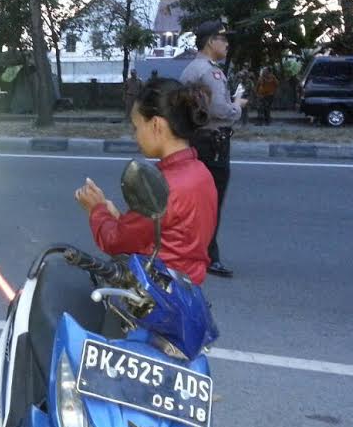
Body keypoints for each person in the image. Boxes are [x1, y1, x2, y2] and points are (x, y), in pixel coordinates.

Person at [75, 78, 217, 284]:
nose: (136, 136)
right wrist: (120, 218)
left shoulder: (162, 186)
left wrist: (96, 210)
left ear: (156, 124)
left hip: (157, 295)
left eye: (137, 126)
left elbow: (116, 242)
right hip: (188, 290)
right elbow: (170, 235)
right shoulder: (201, 172)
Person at [180, 20, 248, 278]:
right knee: (212, 202)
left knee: (197, 201)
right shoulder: (211, 72)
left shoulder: (190, 69)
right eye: (223, 38)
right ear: (210, 41)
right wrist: (238, 104)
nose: (227, 43)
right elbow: (222, 111)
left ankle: (194, 251)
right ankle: (209, 256)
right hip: (214, 143)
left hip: (196, 140)